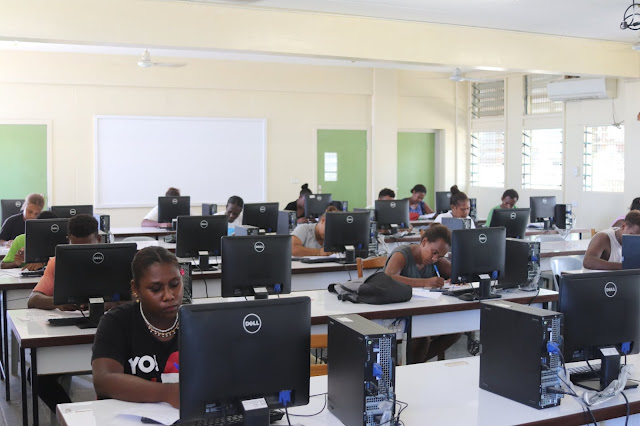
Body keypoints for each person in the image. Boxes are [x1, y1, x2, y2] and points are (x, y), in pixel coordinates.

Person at [92, 246, 181, 408]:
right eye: (156, 289)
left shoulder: (195, 320)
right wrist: (167, 393)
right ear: (135, 289)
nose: (169, 296)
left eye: (175, 284)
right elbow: (104, 380)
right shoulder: (116, 321)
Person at [383, 224, 460, 363]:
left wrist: (456, 280)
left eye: (440, 256)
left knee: (455, 330)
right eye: (434, 252)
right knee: (422, 335)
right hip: (396, 314)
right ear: (424, 242)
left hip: (423, 312)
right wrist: (425, 282)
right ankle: (412, 366)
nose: (435, 258)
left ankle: (411, 364)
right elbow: (389, 277)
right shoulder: (402, 254)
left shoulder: (435, 259)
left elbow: (457, 272)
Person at [27, 214, 101, 310]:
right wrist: (58, 303)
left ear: (99, 239)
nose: (81, 253)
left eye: (87, 247)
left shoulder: (115, 260)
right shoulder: (57, 262)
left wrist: (103, 305)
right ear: (68, 240)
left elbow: (125, 299)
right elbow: (33, 299)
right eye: (76, 248)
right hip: (71, 319)